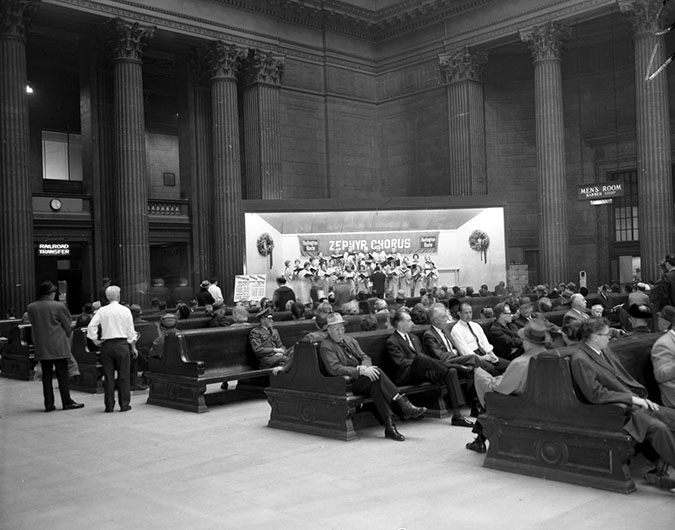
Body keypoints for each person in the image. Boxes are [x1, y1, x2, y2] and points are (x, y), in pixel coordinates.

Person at [570, 318, 675, 492]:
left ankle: (661, 467)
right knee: (659, 429)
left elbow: (622, 379)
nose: (610, 337)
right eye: (607, 334)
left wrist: (640, 398)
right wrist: (633, 400)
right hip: (616, 413)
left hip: (633, 403)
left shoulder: (603, 350)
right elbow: (596, 394)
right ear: (595, 337)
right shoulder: (580, 359)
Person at [320, 313, 427, 441]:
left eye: (342, 328)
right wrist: (360, 370)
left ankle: (390, 427)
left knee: (376, 384)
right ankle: (403, 403)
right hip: (348, 383)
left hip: (364, 378)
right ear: (329, 330)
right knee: (378, 373)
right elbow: (335, 369)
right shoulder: (326, 346)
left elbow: (365, 357)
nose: (340, 332)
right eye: (336, 329)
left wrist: (366, 368)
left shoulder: (349, 340)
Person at [466, 319, 552, 453]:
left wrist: (495, 381)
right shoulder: (551, 357)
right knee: (490, 380)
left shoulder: (521, 362)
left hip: (518, 404)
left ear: (528, 342)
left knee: (480, 375)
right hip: (541, 401)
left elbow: (502, 389)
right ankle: (479, 440)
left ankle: (479, 440)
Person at [386, 308, 474, 427]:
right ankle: (454, 366)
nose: (412, 323)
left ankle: (457, 416)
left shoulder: (414, 338)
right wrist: (419, 362)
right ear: (400, 323)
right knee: (420, 358)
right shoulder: (392, 341)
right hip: (406, 375)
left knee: (451, 372)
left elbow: (425, 358)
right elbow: (400, 363)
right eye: (409, 320)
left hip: (423, 371)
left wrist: (425, 363)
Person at [27, 281, 84, 412]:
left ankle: (48, 404)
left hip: (42, 346)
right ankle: (66, 402)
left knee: (46, 376)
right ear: (51, 294)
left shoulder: (31, 307)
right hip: (58, 345)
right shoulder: (59, 306)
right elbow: (68, 325)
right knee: (62, 374)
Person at [86, 285, 138, 412]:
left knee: (108, 376)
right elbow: (130, 331)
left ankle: (109, 405)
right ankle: (124, 404)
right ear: (119, 296)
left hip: (107, 345)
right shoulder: (125, 310)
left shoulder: (102, 311)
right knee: (124, 375)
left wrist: (95, 340)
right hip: (122, 344)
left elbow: (91, 326)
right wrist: (133, 346)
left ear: (107, 297)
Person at [450, 302, 509, 375]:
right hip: (473, 358)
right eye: (466, 313)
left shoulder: (476, 325)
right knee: (491, 369)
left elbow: (485, 343)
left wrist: (492, 355)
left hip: (484, 352)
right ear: (459, 313)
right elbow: (464, 351)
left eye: (470, 312)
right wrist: (482, 358)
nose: (469, 315)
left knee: (508, 365)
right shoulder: (456, 330)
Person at [249, 307, 290, 373]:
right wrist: (274, 350)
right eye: (269, 318)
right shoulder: (256, 332)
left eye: (271, 318)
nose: (272, 320)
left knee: (292, 355)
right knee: (286, 360)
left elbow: (281, 346)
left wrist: (281, 351)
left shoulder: (274, 331)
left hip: (277, 357)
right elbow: (258, 350)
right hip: (266, 360)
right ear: (262, 319)